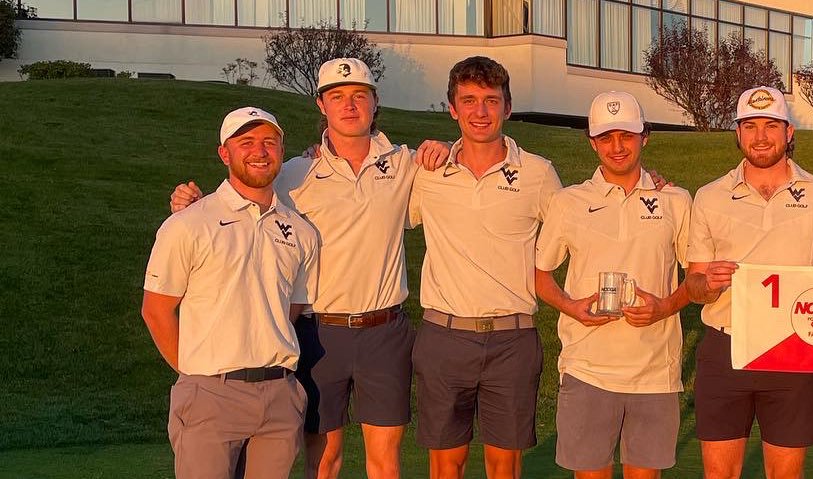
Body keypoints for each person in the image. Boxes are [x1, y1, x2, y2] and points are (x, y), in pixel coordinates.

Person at [167, 58, 448, 479]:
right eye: (337, 96)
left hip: (385, 330)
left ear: (375, 104)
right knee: (324, 458)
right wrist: (189, 202)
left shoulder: (405, 164)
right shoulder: (296, 171)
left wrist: (445, 148)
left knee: (385, 461)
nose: (349, 106)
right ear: (321, 104)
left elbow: (462, 165)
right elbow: (241, 194)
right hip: (320, 331)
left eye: (359, 96)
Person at [141, 107, 318, 478]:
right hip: (210, 395)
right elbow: (156, 310)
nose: (260, 151)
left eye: (269, 142)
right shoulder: (188, 223)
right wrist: (195, 375)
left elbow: (294, 306)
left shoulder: (300, 231)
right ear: (225, 153)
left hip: (279, 395)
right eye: (246, 142)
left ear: (282, 151)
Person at [407, 56, 562, 479]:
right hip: (443, 337)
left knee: (504, 466)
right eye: (469, 101)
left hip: (512, 340)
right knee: (446, 465)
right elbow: (366, 198)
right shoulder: (425, 172)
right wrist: (317, 149)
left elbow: (580, 229)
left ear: (507, 108)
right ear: (452, 108)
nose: (480, 112)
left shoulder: (538, 173)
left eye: (491, 101)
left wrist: (648, 181)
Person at [685, 86, 813, 479]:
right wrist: (709, 283)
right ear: (737, 133)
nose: (760, 136)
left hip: (793, 349)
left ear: (789, 132)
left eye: (771, 125)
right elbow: (693, 285)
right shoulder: (709, 196)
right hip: (726, 345)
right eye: (750, 126)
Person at [534, 91, 693, 479]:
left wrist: (666, 306)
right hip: (588, 369)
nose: (617, 147)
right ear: (592, 142)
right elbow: (540, 275)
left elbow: (697, 278)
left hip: (655, 372)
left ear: (645, 136)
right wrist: (570, 307)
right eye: (606, 137)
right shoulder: (567, 202)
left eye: (627, 135)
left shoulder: (675, 200)